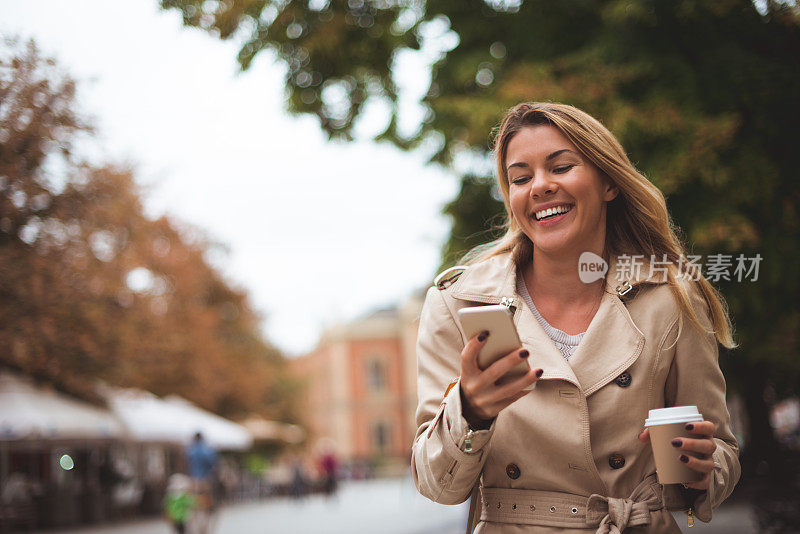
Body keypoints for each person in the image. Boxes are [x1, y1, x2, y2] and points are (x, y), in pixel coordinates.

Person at [411, 102, 740, 533]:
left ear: (608, 183)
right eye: (521, 178)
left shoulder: (672, 299)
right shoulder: (459, 305)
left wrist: (701, 468)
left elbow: (720, 452)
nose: (540, 187)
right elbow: (436, 485)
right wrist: (471, 411)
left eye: (561, 167)